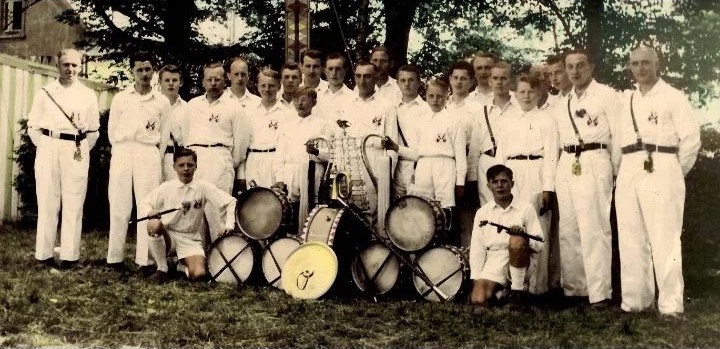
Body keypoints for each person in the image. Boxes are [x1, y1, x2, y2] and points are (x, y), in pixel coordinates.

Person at [616, 45, 700, 319]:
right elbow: (617, 140)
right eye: (636, 63)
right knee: (630, 236)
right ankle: (636, 301)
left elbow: (690, 141)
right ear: (630, 67)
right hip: (629, 166)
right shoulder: (626, 100)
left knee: (665, 237)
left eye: (646, 63)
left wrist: (673, 171)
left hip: (662, 164)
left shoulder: (673, 97)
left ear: (657, 64)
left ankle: (671, 304)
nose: (641, 68)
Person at [553, 48, 620, 307]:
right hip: (567, 163)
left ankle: (600, 293)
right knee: (568, 229)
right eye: (570, 66)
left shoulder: (607, 96)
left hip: (595, 159)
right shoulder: (563, 103)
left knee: (594, 228)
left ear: (590, 67)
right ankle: (575, 290)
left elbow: (618, 135)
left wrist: (612, 171)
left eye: (580, 65)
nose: (575, 71)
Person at [29, 48, 100, 269]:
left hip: (76, 149)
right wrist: (47, 147)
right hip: (49, 146)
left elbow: (94, 131)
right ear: (57, 66)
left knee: (74, 202)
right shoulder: (46, 92)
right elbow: (33, 126)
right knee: (48, 202)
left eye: (75, 65)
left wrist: (79, 149)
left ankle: (70, 257)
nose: (70, 69)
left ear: (80, 66)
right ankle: (43, 255)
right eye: (66, 65)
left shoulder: (87, 95)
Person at [106, 51, 170, 272]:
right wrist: (122, 150)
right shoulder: (121, 98)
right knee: (119, 204)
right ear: (132, 71)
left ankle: (145, 260)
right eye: (139, 69)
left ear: (154, 71)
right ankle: (114, 258)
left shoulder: (161, 101)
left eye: (148, 69)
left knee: (147, 206)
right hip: (123, 151)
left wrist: (152, 156)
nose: (144, 74)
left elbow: (164, 136)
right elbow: (112, 131)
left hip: (148, 152)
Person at [495, 75, 559, 295]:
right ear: (515, 93)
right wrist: (499, 182)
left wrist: (548, 187)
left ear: (539, 94)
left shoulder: (546, 120)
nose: (526, 96)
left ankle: (537, 287)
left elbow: (551, 155)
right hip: (513, 173)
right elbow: (501, 154)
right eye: (522, 92)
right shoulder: (507, 120)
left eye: (531, 92)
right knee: (512, 224)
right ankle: (513, 284)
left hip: (536, 171)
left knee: (537, 229)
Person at [142, 147, 236, 282]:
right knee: (154, 224)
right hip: (169, 237)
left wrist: (229, 225)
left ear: (196, 167)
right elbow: (145, 203)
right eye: (181, 165)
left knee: (199, 275)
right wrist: (150, 212)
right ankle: (162, 268)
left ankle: (181, 265)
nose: (186, 169)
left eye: (190, 165)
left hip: (191, 240)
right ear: (174, 167)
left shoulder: (203, 187)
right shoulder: (167, 187)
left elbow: (231, 202)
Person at [331, 61, 399, 233]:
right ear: (354, 77)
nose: (363, 81)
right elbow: (338, 141)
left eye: (368, 76)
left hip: (376, 167)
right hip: (349, 169)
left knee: (376, 220)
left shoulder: (386, 106)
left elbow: (391, 146)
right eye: (359, 76)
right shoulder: (345, 105)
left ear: (376, 78)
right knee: (350, 218)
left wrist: (385, 178)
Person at [469, 165, 544, 306]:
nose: (500, 185)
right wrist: (476, 279)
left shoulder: (525, 208)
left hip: (520, 260)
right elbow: (477, 249)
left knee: (516, 240)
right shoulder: (482, 213)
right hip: (494, 260)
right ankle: (502, 293)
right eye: (495, 182)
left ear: (512, 183)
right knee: (478, 300)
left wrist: (525, 238)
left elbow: (540, 244)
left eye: (504, 181)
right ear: (488, 185)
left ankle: (516, 293)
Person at [389, 79, 466, 214]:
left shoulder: (455, 120)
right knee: (423, 207)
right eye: (431, 96)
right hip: (423, 166)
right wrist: (397, 148)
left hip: (445, 166)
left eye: (439, 96)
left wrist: (460, 182)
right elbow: (416, 152)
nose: (435, 100)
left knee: (444, 207)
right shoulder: (421, 120)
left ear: (447, 97)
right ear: (426, 96)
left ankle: (447, 233)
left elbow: (460, 155)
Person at [183, 62, 248, 195]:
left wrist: (226, 161)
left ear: (225, 81)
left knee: (218, 209)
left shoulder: (234, 106)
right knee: (193, 206)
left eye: (217, 79)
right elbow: (185, 135)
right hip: (195, 161)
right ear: (203, 82)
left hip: (220, 162)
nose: (213, 83)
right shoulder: (192, 105)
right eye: (209, 79)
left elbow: (241, 144)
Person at [273, 87, 331, 230]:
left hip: (312, 172)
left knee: (310, 211)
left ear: (314, 102)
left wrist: (317, 152)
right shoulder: (287, 125)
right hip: (290, 173)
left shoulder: (321, 124)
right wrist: (280, 178)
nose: (300, 103)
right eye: (297, 99)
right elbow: (280, 154)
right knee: (289, 212)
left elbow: (330, 153)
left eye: (304, 99)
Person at [244, 68, 292, 187]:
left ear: (278, 86)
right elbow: (243, 143)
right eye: (263, 85)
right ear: (258, 86)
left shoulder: (286, 112)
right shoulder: (248, 110)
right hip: (252, 161)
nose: (267, 89)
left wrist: (281, 176)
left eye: (271, 86)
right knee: (252, 201)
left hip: (274, 161)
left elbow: (286, 146)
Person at [392, 64, 428, 199]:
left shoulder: (426, 109)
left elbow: (425, 147)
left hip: (417, 167)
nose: (406, 84)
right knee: (398, 213)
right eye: (403, 80)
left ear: (419, 82)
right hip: (397, 168)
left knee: (418, 211)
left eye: (411, 80)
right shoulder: (392, 108)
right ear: (397, 83)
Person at [158, 64, 187, 181]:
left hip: (176, 158)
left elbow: (188, 139)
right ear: (160, 82)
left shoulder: (187, 108)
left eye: (174, 80)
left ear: (181, 82)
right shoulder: (153, 106)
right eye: (167, 80)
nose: (171, 83)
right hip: (154, 158)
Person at [315, 52, 354, 120]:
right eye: (330, 69)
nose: (334, 73)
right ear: (324, 70)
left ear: (345, 71)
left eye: (338, 69)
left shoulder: (353, 98)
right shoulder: (317, 95)